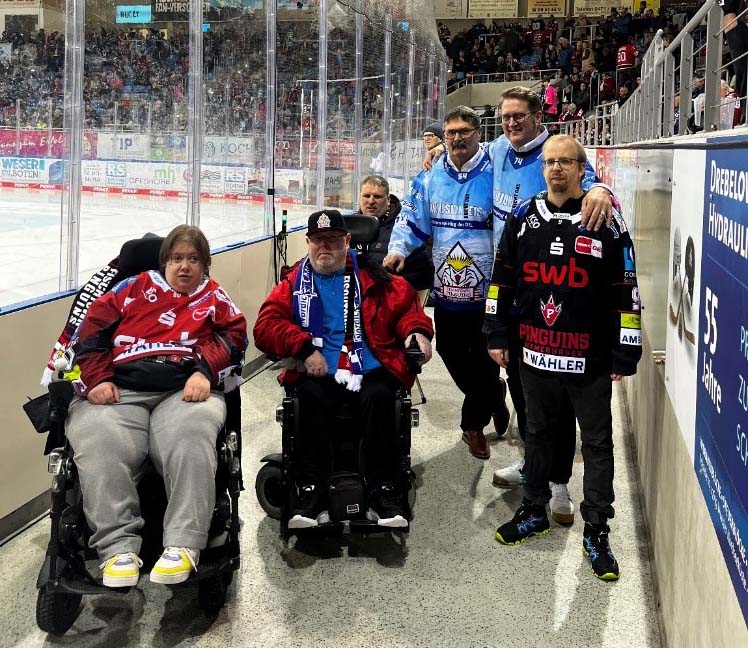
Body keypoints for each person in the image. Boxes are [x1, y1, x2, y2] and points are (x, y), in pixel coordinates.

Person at [423, 87, 613, 524]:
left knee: (554, 402)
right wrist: (436, 153)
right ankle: (534, 469)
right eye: (505, 117)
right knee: (529, 392)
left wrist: (601, 187)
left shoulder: (554, 151)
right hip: (516, 291)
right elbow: (461, 150)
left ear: (538, 116)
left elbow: (591, 179)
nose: (511, 123)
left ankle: (560, 484)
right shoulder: (495, 150)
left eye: (519, 116)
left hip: (560, 300)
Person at [486, 135, 642, 580]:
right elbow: (502, 279)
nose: (556, 168)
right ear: (543, 168)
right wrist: (496, 332)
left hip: (588, 360)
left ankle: (597, 529)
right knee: (536, 434)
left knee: (596, 444)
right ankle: (534, 509)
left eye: (566, 162)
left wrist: (624, 350)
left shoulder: (605, 221)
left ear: (581, 169)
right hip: (533, 355)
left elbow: (626, 291)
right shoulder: (522, 217)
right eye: (550, 161)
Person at [65, 225, 247, 587]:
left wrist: (204, 369)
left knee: (191, 435)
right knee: (96, 438)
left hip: (184, 388)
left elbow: (234, 335)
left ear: (205, 265)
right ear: (164, 262)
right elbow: (89, 331)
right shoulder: (129, 288)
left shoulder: (214, 296)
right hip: (120, 387)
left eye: (194, 259)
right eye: (177, 258)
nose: (184, 267)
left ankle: (183, 545)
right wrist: (98, 377)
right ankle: (117, 548)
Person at [253, 210, 433, 529]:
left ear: (347, 241)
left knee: (381, 396)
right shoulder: (295, 281)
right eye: (318, 240)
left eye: (333, 240)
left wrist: (416, 332)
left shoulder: (373, 277)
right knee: (307, 396)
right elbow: (265, 325)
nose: (326, 247)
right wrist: (303, 348)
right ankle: (310, 492)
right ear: (307, 242)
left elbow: (407, 309)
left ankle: (384, 490)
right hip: (318, 367)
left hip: (369, 365)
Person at [384, 106, 510, 461]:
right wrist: (398, 249)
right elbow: (411, 218)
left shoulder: (496, 169)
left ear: (478, 133)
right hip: (447, 294)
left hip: (489, 294)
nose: (457, 138)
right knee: (450, 353)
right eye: (451, 132)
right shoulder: (430, 175)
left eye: (464, 131)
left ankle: (473, 424)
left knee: (486, 360)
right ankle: (491, 395)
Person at [356, 174, 433, 291]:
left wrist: (392, 284)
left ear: (388, 200)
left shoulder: (405, 231)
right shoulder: (348, 227)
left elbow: (425, 275)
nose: (371, 201)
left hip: (391, 296)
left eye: (377, 197)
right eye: (366, 196)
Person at [722, 0, 748, 122]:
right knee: (742, 71)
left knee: (742, 72)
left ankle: (744, 111)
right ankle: (744, 111)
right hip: (734, 27)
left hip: (736, 27)